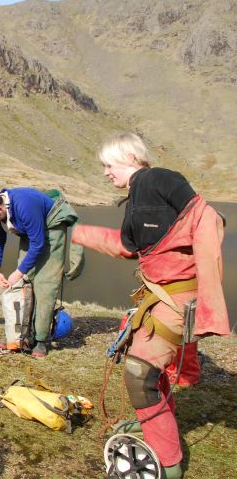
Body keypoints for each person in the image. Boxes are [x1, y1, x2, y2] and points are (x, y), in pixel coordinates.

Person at [71, 132, 229, 479]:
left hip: (173, 301)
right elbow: (129, 245)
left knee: (140, 375)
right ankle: (158, 430)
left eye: (108, 165)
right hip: (165, 299)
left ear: (129, 158)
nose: (105, 172)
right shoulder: (141, 192)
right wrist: (77, 233)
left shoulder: (156, 180)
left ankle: (167, 463)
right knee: (149, 373)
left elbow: (203, 215)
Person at [0, 187, 78, 357]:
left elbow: (38, 244)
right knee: (23, 284)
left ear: (0, 209)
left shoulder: (24, 205)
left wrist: (18, 271)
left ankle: (41, 340)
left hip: (51, 230)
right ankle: (22, 336)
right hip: (30, 231)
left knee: (44, 286)